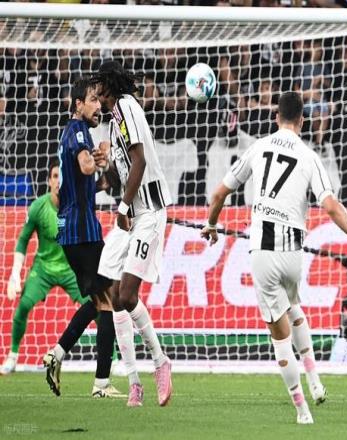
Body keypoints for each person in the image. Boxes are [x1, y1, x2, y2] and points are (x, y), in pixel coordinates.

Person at [201, 91, 347, 424]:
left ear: (276, 117)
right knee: (294, 308)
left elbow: (219, 193)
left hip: (263, 252)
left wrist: (211, 224)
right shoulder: (309, 156)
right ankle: (315, 379)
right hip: (294, 253)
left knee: (279, 335)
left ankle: (301, 410)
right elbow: (331, 206)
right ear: (302, 120)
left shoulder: (258, 147)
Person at [90, 60, 173, 408]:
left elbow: (140, 161)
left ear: (109, 85)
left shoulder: (126, 107)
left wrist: (123, 207)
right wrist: (103, 169)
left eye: (98, 85)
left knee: (126, 295)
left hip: (147, 212)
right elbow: (121, 174)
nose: (95, 91)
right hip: (131, 215)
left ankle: (160, 362)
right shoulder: (113, 123)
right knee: (110, 293)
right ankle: (134, 381)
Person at [43, 77, 123, 399]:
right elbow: (87, 167)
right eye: (92, 100)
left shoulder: (77, 133)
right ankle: (101, 383)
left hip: (77, 231)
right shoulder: (76, 130)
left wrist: (107, 170)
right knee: (110, 301)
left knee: (101, 301)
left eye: (98, 100)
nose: (98, 105)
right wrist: (97, 157)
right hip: (81, 231)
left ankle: (57, 353)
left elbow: (93, 182)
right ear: (78, 104)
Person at [1, 161, 90, 375]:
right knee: (23, 306)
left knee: (97, 306)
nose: (59, 181)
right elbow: (23, 240)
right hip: (43, 269)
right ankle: (12, 356)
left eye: (63, 176)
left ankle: (113, 360)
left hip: (70, 269)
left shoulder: (78, 207)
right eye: (55, 176)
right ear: (49, 180)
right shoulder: (38, 207)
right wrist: (15, 274)